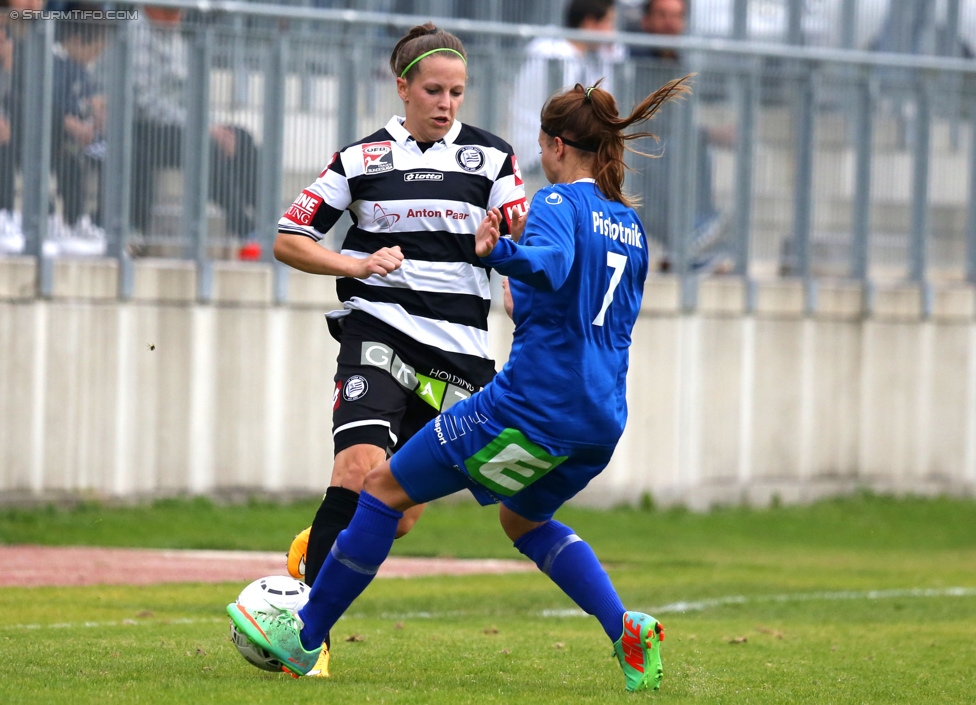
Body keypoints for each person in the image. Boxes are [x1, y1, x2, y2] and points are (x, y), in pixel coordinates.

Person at [229, 75, 692, 693]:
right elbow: (589, 310)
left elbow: (549, 265)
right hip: (599, 420)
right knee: (522, 521)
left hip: (529, 407)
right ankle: (623, 627)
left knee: (384, 488)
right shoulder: (628, 226)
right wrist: (523, 297)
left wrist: (497, 254)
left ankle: (304, 634)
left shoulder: (560, 204)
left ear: (555, 146)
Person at [273, 22, 527, 678]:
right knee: (357, 470)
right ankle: (309, 638)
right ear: (404, 87)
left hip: (460, 356)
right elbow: (288, 235)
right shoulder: (360, 160)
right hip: (378, 333)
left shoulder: (494, 160)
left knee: (399, 512)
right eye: (435, 90)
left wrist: (509, 267)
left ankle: (311, 551)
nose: (446, 103)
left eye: (458, 93)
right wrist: (353, 265)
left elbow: (522, 246)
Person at [128, 6, 258, 249]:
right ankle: (245, 227)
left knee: (241, 138)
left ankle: (269, 223)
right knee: (204, 145)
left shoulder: (174, 37)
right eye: (171, 11)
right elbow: (144, 103)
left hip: (180, 124)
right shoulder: (137, 33)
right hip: (144, 128)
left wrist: (214, 126)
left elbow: (193, 95)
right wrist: (203, 127)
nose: (178, 17)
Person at [630, 0, 732, 273]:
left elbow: (677, 119)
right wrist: (706, 133)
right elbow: (646, 117)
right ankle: (695, 235)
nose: (670, 23)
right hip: (637, 151)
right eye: (662, 15)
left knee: (690, 149)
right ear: (646, 21)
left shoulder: (680, 63)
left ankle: (696, 234)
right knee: (675, 150)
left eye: (676, 16)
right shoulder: (633, 59)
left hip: (666, 150)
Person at [510, 0, 624, 193]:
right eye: (609, 23)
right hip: (538, 153)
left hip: (553, 149)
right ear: (590, 23)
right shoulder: (553, 53)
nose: (612, 33)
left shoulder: (583, 57)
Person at [50, 16, 109, 254]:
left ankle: (97, 224)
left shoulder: (83, 71)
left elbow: (86, 104)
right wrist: (69, 123)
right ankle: (68, 220)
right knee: (70, 158)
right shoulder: (52, 62)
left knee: (113, 157)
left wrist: (96, 119)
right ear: (76, 41)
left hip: (83, 137)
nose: (95, 58)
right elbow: (45, 103)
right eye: (93, 50)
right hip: (55, 135)